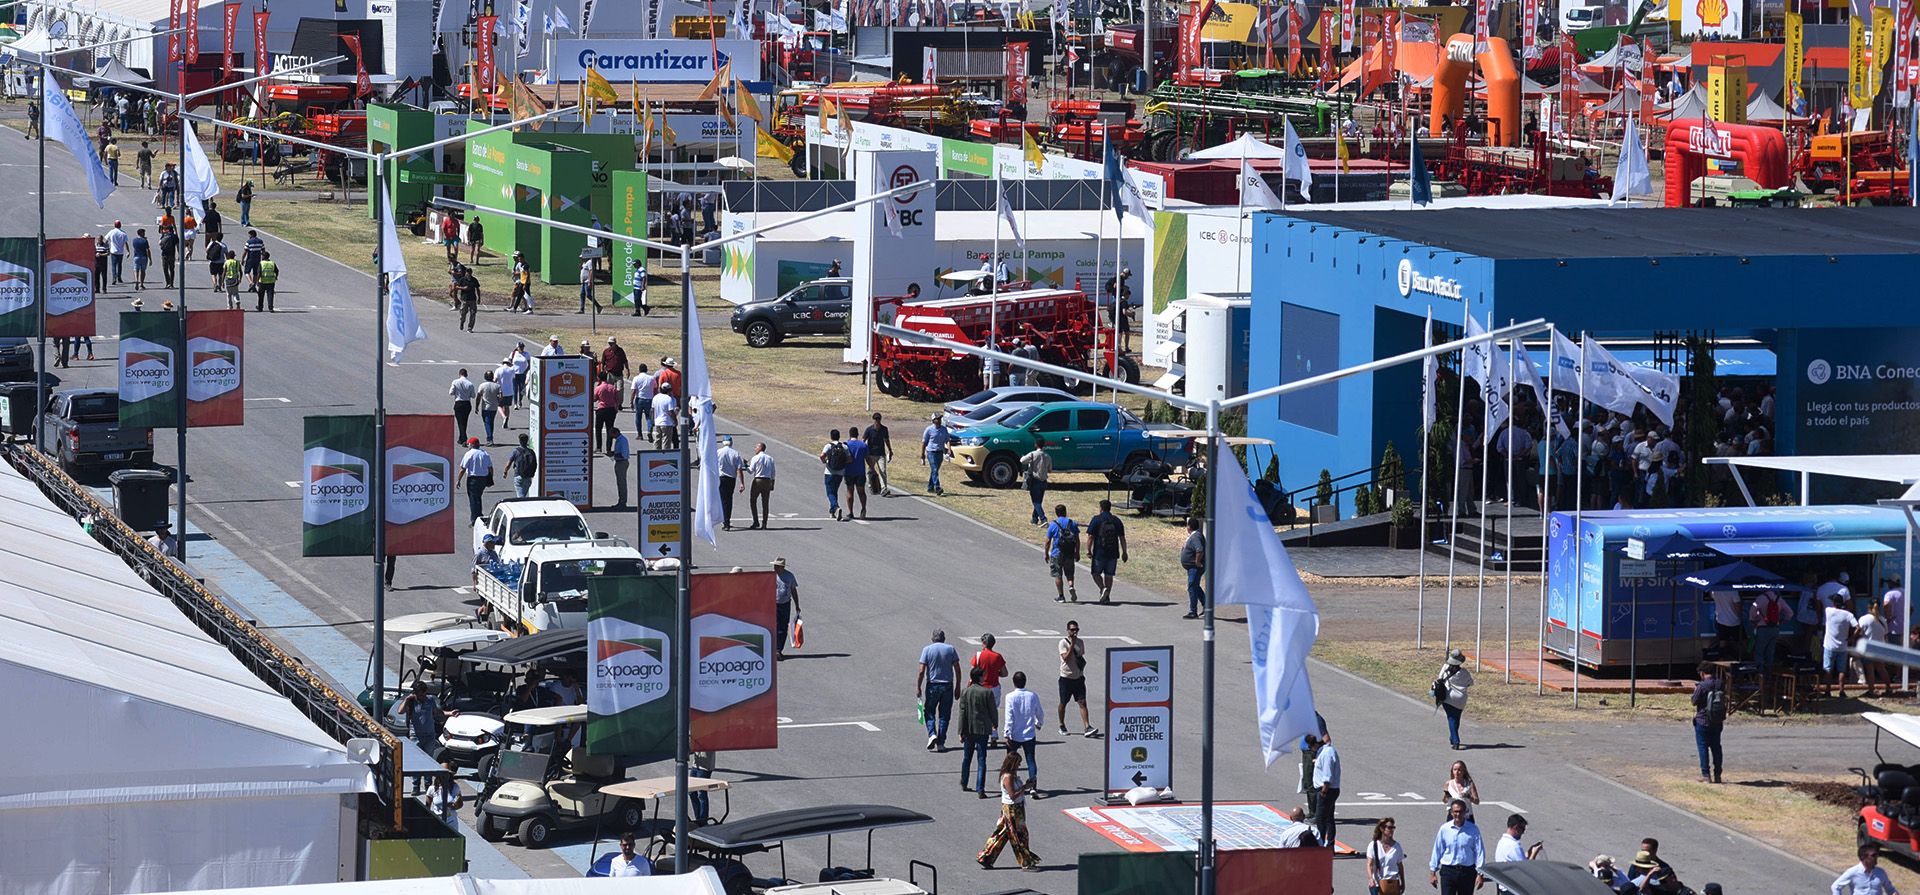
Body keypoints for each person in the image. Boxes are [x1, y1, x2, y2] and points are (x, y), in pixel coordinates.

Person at [977, 750, 1040, 871]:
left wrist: (1026, 785)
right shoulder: (1008, 777)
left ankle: (986, 858)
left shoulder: (1012, 775)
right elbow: (1013, 795)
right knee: (1019, 836)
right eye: (1018, 763)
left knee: (1002, 835)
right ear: (1013, 763)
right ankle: (1025, 863)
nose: (1019, 765)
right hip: (1012, 809)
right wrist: (1025, 787)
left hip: (1015, 808)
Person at [917, 629, 962, 751]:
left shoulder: (927, 650)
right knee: (945, 714)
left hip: (932, 685)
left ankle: (932, 734)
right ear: (944, 638)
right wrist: (958, 686)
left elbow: (921, 671)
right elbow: (957, 669)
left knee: (929, 711)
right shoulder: (950, 649)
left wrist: (918, 687)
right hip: (947, 685)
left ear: (932, 638)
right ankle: (941, 743)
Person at [1428, 799, 1485, 895]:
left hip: (1467, 872)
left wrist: (1480, 874)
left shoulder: (1473, 829)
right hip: (1448, 871)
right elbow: (1437, 850)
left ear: (1465, 812)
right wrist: (1432, 872)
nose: (1458, 814)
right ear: (1451, 812)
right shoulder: (1445, 829)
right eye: (1455, 811)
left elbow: (1479, 852)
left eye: (1460, 811)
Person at [957, 666, 997, 794]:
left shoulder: (965, 692)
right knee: (981, 760)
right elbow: (993, 711)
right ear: (980, 677)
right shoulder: (987, 692)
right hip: (982, 730)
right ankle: (980, 788)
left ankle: (964, 782)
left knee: (967, 758)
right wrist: (995, 723)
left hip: (968, 729)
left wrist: (960, 731)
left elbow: (962, 713)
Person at [1003, 670, 1043, 796]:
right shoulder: (1032, 695)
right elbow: (1039, 712)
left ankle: (1011, 782)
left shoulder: (1010, 697)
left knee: (1010, 760)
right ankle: (1033, 785)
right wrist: (1039, 723)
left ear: (1014, 682)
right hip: (1029, 734)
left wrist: (1007, 732)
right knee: (1030, 759)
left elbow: (1009, 716)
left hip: (1014, 734)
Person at [1057, 621, 1096, 736]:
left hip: (1078, 677)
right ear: (1068, 630)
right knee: (1063, 703)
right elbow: (1066, 658)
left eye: (1076, 630)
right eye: (1072, 630)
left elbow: (1079, 656)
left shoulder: (1081, 642)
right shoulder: (1063, 643)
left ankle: (1087, 726)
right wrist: (1072, 645)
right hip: (1066, 678)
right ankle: (1061, 724)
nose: (1074, 632)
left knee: (1082, 702)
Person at [399, 680, 457, 757]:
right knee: (416, 757)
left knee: (428, 757)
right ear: (415, 694)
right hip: (416, 736)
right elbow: (400, 711)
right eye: (421, 695)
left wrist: (450, 713)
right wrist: (407, 699)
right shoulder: (411, 702)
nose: (423, 697)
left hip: (429, 735)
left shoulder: (430, 700)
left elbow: (436, 712)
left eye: (424, 694)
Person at [1692, 662, 1727, 783]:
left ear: (1702, 673)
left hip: (1703, 720)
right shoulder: (1720, 683)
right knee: (1716, 747)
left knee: (1703, 747)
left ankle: (1706, 775)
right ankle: (1718, 774)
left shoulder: (1702, 686)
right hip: (1717, 720)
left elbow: (1694, 701)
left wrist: (1695, 689)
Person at [972, 633, 1009, 745]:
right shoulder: (997, 657)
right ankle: (994, 734)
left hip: (981, 687)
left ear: (984, 643)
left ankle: (980, 734)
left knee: (980, 711)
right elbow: (1004, 673)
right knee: (993, 711)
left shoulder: (978, 656)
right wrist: (995, 673)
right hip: (994, 688)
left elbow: (973, 672)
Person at [1493, 815, 1543, 893]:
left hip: (1504, 884)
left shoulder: (1503, 841)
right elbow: (1525, 869)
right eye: (1522, 829)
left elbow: (1515, 859)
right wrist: (1534, 853)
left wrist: (1529, 851)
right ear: (1516, 827)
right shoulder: (1513, 846)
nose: (1523, 832)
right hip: (1512, 888)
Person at [1435, 650, 1473, 750]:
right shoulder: (1464, 672)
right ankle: (1453, 737)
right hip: (1461, 700)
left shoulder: (1445, 668)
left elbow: (1439, 678)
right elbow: (1470, 683)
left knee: (1451, 718)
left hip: (1447, 697)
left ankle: (1455, 740)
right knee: (1456, 719)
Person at [1309, 732, 1340, 848]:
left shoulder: (1327, 753)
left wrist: (1323, 791)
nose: (1310, 748)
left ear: (1316, 744)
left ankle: (1322, 845)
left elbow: (1327, 775)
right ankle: (1329, 845)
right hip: (1328, 790)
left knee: (1321, 820)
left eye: (1311, 745)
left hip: (1327, 790)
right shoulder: (1324, 752)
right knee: (1328, 818)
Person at [1044, 504, 1080, 603]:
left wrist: (1046, 553)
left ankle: (1061, 596)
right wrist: (1077, 552)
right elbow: (1077, 539)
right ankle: (1071, 585)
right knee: (1069, 572)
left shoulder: (1053, 524)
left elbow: (1048, 541)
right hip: (1069, 552)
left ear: (1056, 513)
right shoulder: (1072, 523)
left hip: (1057, 552)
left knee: (1058, 574)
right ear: (1065, 512)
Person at [1825, 593, 1859, 698]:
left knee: (1828, 669)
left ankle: (1827, 690)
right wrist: (1852, 638)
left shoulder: (1828, 611)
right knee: (1841, 670)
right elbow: (1858, 627)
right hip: (1843, 646)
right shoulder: (1848, 615)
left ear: (1834, 603)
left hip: (1829, 645)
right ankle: (1841, 690)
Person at [1750, 585, 1789, 673]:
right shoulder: (1779, 599)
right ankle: (1769, 673)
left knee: (1759, 652)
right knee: (1770, 652)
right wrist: (1782, 620)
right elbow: (1790, 613)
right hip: (1775, 628)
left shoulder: (1760, 598)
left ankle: (1760, 674)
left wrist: (1754, 620)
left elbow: (1752, 612)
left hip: (1762, 628)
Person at [1832, 844, 1897, 895]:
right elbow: (1835, 886)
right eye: (1873, 855)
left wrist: (1894, 893)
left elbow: (1890, 890)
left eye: (1877, 854)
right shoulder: (1853, 872)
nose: (1876, 857)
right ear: (1863, 857)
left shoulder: (1881, 872)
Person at [455, 438, 494, 522]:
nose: (468, 445)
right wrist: (490, 477)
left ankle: (474, 519)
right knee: (478, 497)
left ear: (472, 445)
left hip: (473, 479)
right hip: (483, 479)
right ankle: (479, 514)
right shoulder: (484, 454)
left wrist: (458, 480)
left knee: (473, 499)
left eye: (469, 444)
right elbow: (490, 468)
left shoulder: (469, 454)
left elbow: (463, 469)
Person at [1368, 818, 1408, 895]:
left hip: (1393, 883)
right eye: (1389, 828)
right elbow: (1369, 865)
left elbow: (1400, 866)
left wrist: (1403, 882)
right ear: (1382, 829)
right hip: (1377, 884)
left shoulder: (1397, 847)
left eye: (1393, 828)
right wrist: (1370, 879)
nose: (1392, 830)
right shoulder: (1373, 845)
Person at [819, 429, 850, 521]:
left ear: (831, 436)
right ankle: (832, 511)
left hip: (829, 472)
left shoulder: (828, 446)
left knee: (830, 492)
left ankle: (836, 507)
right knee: (834, 491)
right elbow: (849, 459)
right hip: (840, 472)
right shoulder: (844, 447)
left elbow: (822, 456)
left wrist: (826, 462)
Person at [1021, 436, 1052, 525]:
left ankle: (1043, 519)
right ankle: (1034, 519)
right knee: (1039, 500)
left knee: (1036, 502)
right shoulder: (1047, 456)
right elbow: (1050, 469)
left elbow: (1022, 460)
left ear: (1036, 445)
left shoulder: (1033, 454)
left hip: (1035, 480)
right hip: (1044, 481)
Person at [773, 557, 799, 659]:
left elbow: (793, 590)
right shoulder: (771, 576)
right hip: (772, 604)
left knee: (783, 628)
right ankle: (773, 649)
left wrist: (797, 605)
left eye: (777, 566)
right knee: (773, 626)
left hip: (785, 604)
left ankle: (778, 649)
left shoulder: (789, 576)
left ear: (782, 567)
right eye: (774, 566)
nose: (775, 568)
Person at [1179, 516, 1205, 618]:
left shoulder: (1196, 537)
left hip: (1195, 567)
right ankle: (1207, 606)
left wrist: (1198, 561)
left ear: (1189, 526)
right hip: (1191, 567)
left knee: (1192, 586)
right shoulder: (1193, 536)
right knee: (1195, 586)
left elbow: (1199, 549)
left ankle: (1193, 611)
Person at [843, 424, 870, 519]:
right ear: (858, 434)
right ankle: (863, 508)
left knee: (850, 492)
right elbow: (867, 458)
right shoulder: (863, 445)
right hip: (860, 472)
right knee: (861, 491)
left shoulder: (846, 445)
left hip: (849, 472)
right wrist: (872, 469)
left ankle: (851, 512)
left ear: (850, 435)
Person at [716, 437, 744, 530]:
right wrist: (742, 483)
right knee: (729, 500)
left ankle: (725, 521)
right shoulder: (735, 453)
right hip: (731, 479)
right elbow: (739, 469)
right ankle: (727, 519)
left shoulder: (718, 452)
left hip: (721, 478)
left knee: (722, 500)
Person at [747, 443, 776, 529]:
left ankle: (756, 521)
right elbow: (773, 472)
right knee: (765, 503)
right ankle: (764, 524)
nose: (755, 448)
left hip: (758, 480)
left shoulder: (755, 458)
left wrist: (745, 465)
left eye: (756, 447)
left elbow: (750, 471)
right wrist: (772, 483)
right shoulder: (770, 458)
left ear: (760, 448)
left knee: (753, 500)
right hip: (767, 480)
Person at [865, 412, 895, 497]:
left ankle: (883, 488)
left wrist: (890, 450)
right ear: (873, 420)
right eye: (876, 419)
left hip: (881, 454)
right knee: (870, 471)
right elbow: (864, 440)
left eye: (878, 419)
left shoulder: (884, 429)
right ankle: (870, 485)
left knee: (883, 471)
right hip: (871, 454)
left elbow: (886, 440)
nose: (877, 421)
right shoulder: (869, 430)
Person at [923, 413, 952, 495]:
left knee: (934, 471)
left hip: (940, 452)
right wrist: (922, 454)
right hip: (931, 452)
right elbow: (924, 442)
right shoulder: (929, 430)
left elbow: (947, 440)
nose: (939, 421)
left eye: (940, 419)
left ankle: (930, 487)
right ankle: (938, 487)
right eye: (937, 419)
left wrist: (949, 449)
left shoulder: (944, 429)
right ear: (933, 421)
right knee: (935, 469)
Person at [594, 373, 621, 454]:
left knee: (598, 429)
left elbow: (594, 399)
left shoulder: (598, 388)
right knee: (610, 429)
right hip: (611, 410)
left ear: (599, 378)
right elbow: (617, 399)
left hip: (602, 409)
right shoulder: (612, 387)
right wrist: (616, 407)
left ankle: (599, 447)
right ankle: (608, 448)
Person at [449, 369, 477, 445]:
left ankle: (464, 438)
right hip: (467, 403)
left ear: (459, 374)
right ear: (466, 374)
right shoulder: (470, 384)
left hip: (458, 403)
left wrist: (457, 392)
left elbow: (451, 392)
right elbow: (473, 395)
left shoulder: (455, 382)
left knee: (460, 422)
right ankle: (461, 437)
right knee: (464, 421)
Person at [507, 433, 538, 498]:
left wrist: (505, 472)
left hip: (518, 476)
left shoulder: (516, 451)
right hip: (528, 477)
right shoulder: (531, 451)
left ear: (520, 441)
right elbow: (535, 464)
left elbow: (509, 463)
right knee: (523, 495)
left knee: (521, 497)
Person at [631, 364, 657, 440]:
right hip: (649, 399)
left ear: (639, 370)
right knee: (649, 417)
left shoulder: (636, 378)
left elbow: (633, 391)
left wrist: (631, 401)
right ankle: (649, 430)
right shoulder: (651, 378)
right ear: (646, 370)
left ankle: (640, 434)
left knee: (638, 417)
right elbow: (655, 389)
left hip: (639, 399)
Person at [476, 370, 502, 445]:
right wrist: (498, 401)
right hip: (494, 407)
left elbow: (478, 396)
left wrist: (476, 406)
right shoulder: (497, 386)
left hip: (485, 407)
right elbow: (501, 396)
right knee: (491, 422)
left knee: (487, 422)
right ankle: (490, 436)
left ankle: (489, 439)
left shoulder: (482, 385)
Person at [651, 383, 679, 450]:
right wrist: (675, 420)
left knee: (657, 441)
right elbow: (670, 412)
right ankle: (665, 457)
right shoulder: (668, 399)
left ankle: (656, 455)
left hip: (658, 422)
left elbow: (652, 410)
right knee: (666, 442)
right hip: (667, 423)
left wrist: (653, 420)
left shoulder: (655, 397)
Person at [608, 428, 631, 508]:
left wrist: (613, 455)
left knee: (622, 484)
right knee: (619, 483)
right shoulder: (619, 440)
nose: (611, 436)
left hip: (622, 463)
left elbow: (624, 455)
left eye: (612, 434)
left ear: (616, 433)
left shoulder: (622, 440)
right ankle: (621, 501)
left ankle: (622, 502)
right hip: (619, 462)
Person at [452, 265, 478, 331]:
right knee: (463, 313)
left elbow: (477, 288)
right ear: (466, 273)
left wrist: (479, 297)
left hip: (472, 299)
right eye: (467, 272)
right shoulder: (462, 280)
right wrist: (463, 288)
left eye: (470, 272)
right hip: (464, 299)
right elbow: (456, 287)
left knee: (473, 313)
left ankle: (470, 327)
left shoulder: (474, 280)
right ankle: (462, 322)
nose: (468, 274)